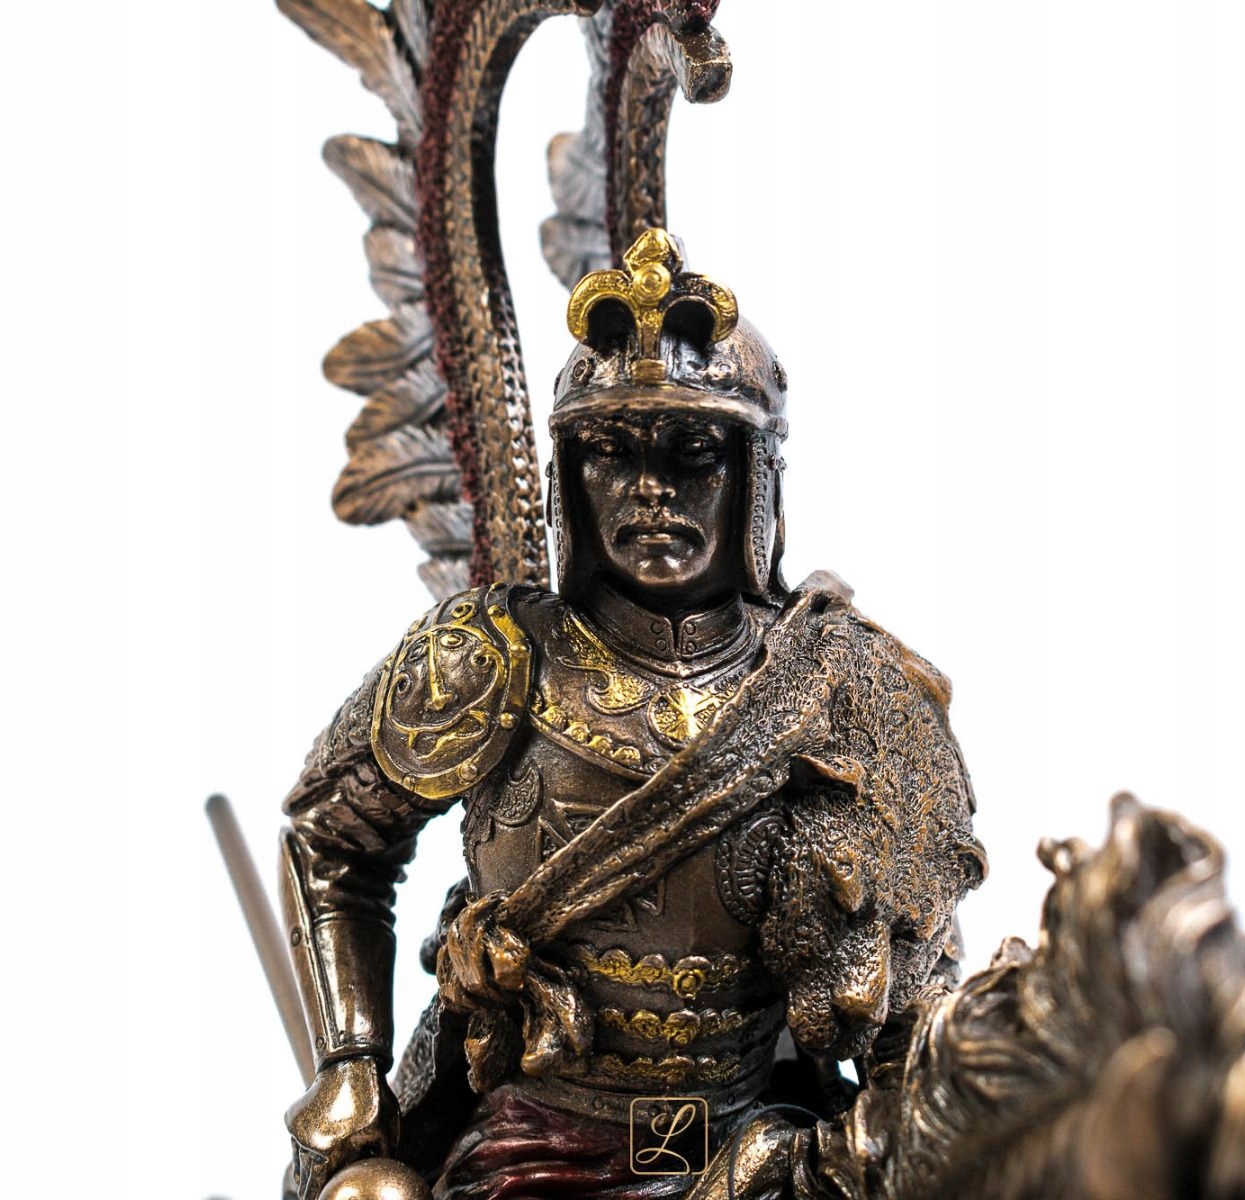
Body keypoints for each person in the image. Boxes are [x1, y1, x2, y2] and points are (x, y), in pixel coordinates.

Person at [277, 230, 986, 1200]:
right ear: (571, 474)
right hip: (535, 1148)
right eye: (614, 451)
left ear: (755, 475)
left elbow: (913, 981)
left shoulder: (844, 684)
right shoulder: (491, 659)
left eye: (692, 452)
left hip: (758, 1154)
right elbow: (334, 838)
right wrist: (351, 1061)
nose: (651, 489)